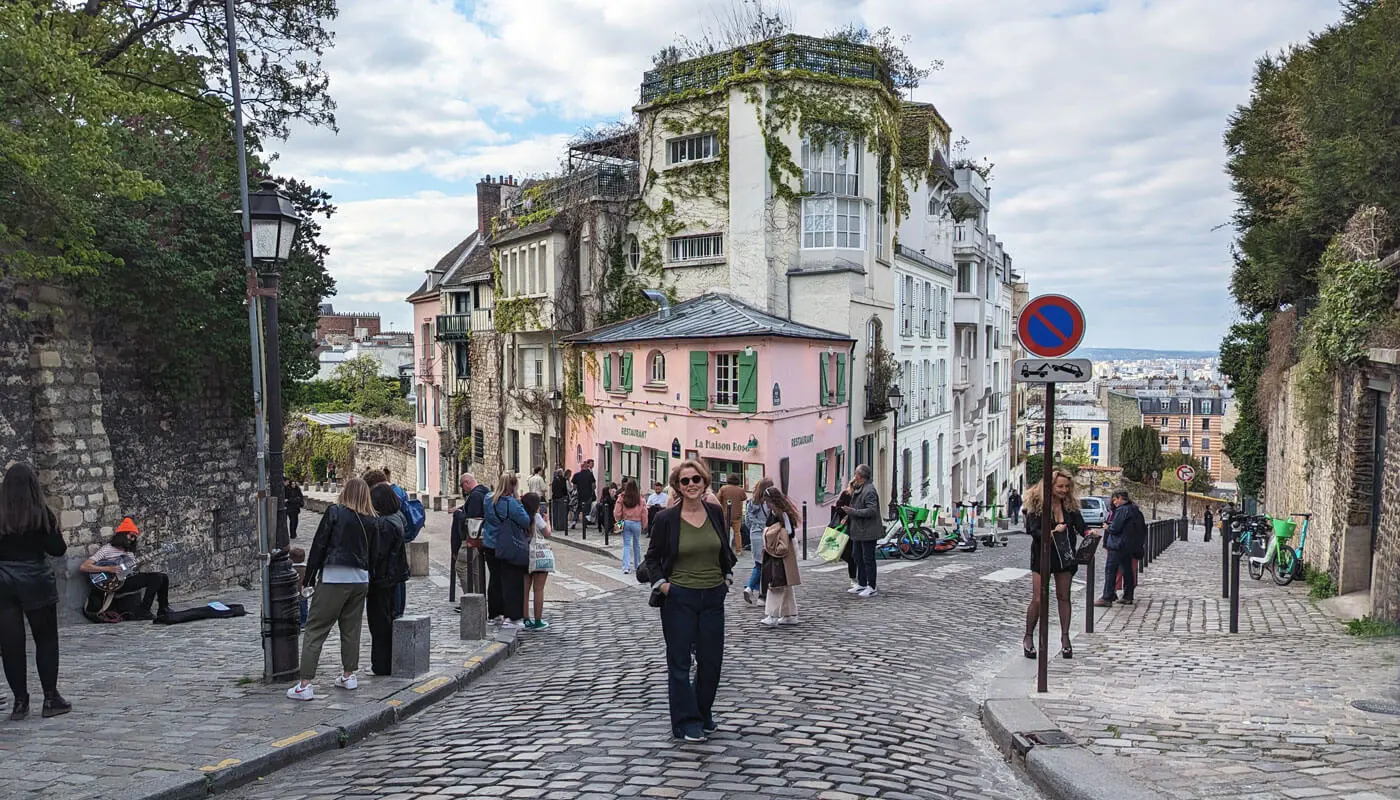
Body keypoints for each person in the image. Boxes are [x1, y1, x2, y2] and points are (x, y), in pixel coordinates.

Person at [641, 460, 735, 743]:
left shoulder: (715, 512)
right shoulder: (666, 519)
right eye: (685, 481)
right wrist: (665, 586)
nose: (691, 484)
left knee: (711, 661)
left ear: (705, 483)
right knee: (680, 662)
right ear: (677, 486)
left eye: (696, 479)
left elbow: (723, 548)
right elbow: (652, 558)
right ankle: (685, 722)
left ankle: (702, 712)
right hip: (680, 597)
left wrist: (726, 577)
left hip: (712, 595)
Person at [289, 478, 380, 701]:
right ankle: (349, 675)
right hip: (360, 579)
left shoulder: (335, 512)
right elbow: (375, 555)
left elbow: (320, 544)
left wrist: (308, 578)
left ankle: (305, 683)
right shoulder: (372, 521)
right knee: (351, 628)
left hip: (334, 577)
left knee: (315, 628)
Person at [0, 463, 70, 720]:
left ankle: (20, 702)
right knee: (46, 639)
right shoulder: (41, 514)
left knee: (11, 645)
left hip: (4, 582)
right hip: (35, 579)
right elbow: (58, 549)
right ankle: (51, 698)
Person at [1023, 470, 1087, 660]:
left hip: (1064, 556)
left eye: (1067, 487)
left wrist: (1090, 533)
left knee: (1064, 596)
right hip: (1042, 555)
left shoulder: (1070, 506)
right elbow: (1033, 531)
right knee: (1038, 598)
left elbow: (1080, 526)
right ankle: (1028, 636)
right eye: (1060, 486)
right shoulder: (1037, 504)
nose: (1064, 490)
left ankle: (1065, 638)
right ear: (1050, 486)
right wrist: (1052, 532)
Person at [79, 517, 171, 620]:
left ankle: (163, 608)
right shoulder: (107, 549)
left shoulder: (129, 553)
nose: (132, 539)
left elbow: (130, 570)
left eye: (134, 537)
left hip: (125, 579)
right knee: (156, 577)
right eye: (131, 535)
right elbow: (84, 567)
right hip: (113, 583)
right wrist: (109, 569)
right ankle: (144, 611)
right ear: (123, 534)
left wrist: (141, 562)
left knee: (162, 577)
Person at [368, 483, 410, 674]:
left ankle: (382, 665)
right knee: (390, 618)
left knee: (379, 623)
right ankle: (388, 662)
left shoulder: (384, 524)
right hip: (394, 576)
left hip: (383, 578)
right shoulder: (398, 517)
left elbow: (379, 553)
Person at [483, 473, 531, 629]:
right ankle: (512, 617)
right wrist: (517, 498)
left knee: (495, 580)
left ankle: (494, 614)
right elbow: (525, 521)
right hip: (508, 546)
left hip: (490, 544)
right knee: (512, 581)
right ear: (512, 485)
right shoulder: (511, 503)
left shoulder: (488, 499)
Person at [759, 486, 802, 626]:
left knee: (777, 581)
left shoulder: (781, 514)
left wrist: (772, 533)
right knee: (785, 583)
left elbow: (789, 532)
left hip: (782, 551)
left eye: (767, 501)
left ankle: (772, 615)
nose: (766, 504)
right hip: (780, 550)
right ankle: (790, 614)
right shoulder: (777, 512)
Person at [1096, 490, 1146, 608]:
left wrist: (1107, 527)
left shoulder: (1122, 510)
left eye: (1115, 500)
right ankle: (1128, 595)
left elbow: (1115, 528)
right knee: (1127, 570)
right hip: (1129, 546)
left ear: (1119, 498)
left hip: (1118, 544)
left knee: (1110, 570)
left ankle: (1107, 597)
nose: (1114, 502)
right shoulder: (1135, 510)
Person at [842, 465, 882, 598]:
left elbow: (872, 510)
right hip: (858, 529)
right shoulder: (860, 488)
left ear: (861, 476)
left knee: (868, 558)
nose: (854, 477)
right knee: (857, 555)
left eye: (856, 474)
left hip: (868, 530)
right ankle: (862, 583)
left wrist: (854, 512)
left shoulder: (869, 490)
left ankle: (872, 586)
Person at [452, 473, 490, 599]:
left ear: (467, 482)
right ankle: (478, 597)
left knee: (461, 566)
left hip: (472, 538)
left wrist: (459, 514)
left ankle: (471, 598)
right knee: (475, 570)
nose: (463, 489)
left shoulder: (475, 496)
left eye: (463, 486)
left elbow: (472, 519)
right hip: (482, 537)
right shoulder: (485, 491)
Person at [521, 492, 552, 630]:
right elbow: (547, 533)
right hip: (538, 555)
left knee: (525, 590)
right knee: (538, 589)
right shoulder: (537, 517)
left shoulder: (521, 516)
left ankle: (525, 619)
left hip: (524, 554)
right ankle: (538, 620)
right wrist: (548, 520)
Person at [741, 478, 773, 605]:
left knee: (758, 564)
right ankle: (754, 591)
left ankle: (755, 591)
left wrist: (755, 529)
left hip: (754, 535)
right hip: (767, 534)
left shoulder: (751, 502)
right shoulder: (768, 503)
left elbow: (747, 522)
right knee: (763, 566)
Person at [614, 479, 647, 574]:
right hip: (637, 522)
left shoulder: (622, 497)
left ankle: (626, 567)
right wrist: (644, 525)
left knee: (626, 545)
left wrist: (618, 520)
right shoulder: (640, 499)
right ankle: (637, 565)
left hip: (626, 522)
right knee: (637, 544)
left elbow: (617, 512)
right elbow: (644, 513)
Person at [831, 482, 859, 592]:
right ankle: (853, 578)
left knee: (855, 555)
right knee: (849, 554)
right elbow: (838, 507)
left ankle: (856, 578)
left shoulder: (861, 496)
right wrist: (846, 512)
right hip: (846, 528)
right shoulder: (846, 495)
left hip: (856, 529)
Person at [716, 473, 748, 555]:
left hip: (725, 515)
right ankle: (738, 550)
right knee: (737, 533)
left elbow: (718, 499)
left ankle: (724, 548)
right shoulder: (740, 490)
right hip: (737, 515)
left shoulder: (723, 488)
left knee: (724, 532)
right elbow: (744, 498)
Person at [571, 460, 596, 529]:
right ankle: (585, 524)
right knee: (587, 510)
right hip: (588, 495)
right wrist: (592, 490)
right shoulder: (590, 475)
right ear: (586, 466)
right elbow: (593, 486)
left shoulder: (576, 475)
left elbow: (574, 487)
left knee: (578, 509)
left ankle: (574, 521)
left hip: (580, 495)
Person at [290, 546, 309, 629]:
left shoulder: (291, 569)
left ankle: (296, 621)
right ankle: (304, 622)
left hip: (292, 592)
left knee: (293, 608)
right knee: (303, 607)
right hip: (303, 592)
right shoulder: (305, 568)